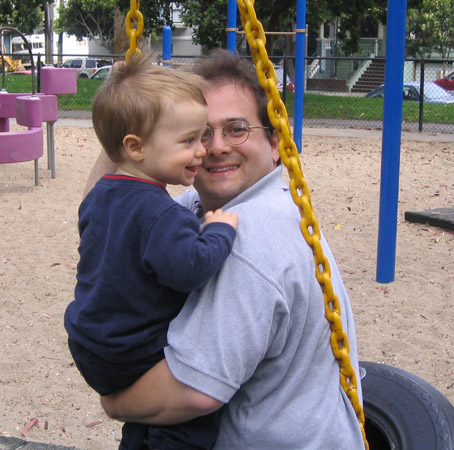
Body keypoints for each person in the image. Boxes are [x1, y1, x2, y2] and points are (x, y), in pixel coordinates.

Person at [91, 49, 364, 449]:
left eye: (236, 129)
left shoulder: (246, 233)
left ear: (275, 143)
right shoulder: (213, 207)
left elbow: (193, 390)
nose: (216, 147)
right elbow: (108, 214)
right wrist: (126, 114)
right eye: (200, 133)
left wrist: (114, 401)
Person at [64, 53, 238, 450]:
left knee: (145, 414)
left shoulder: (100, 195)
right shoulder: (161, 213)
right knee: (190, 412)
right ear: (136, 147)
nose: (202, 151)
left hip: (89, 341)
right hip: (131, 348)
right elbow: (189, 269)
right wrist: (219, 232)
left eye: (201, 137)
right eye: (188, 141)